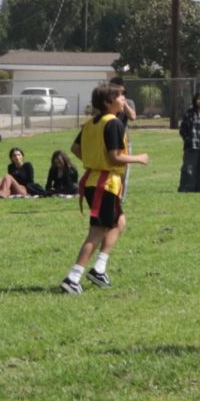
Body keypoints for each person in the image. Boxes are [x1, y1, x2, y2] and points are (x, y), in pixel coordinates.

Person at [59, 83, 150, 294]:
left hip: (95, 180)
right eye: (119, 97)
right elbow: (114, 156)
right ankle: (73, 278)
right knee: (97, 231)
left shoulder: (91, 123)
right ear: (108, 102)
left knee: (119, 222)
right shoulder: (114, 123)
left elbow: (75, 148)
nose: (123, 100)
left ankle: (99, 269)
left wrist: (92, 160)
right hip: (104, 184)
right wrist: (139, 158)